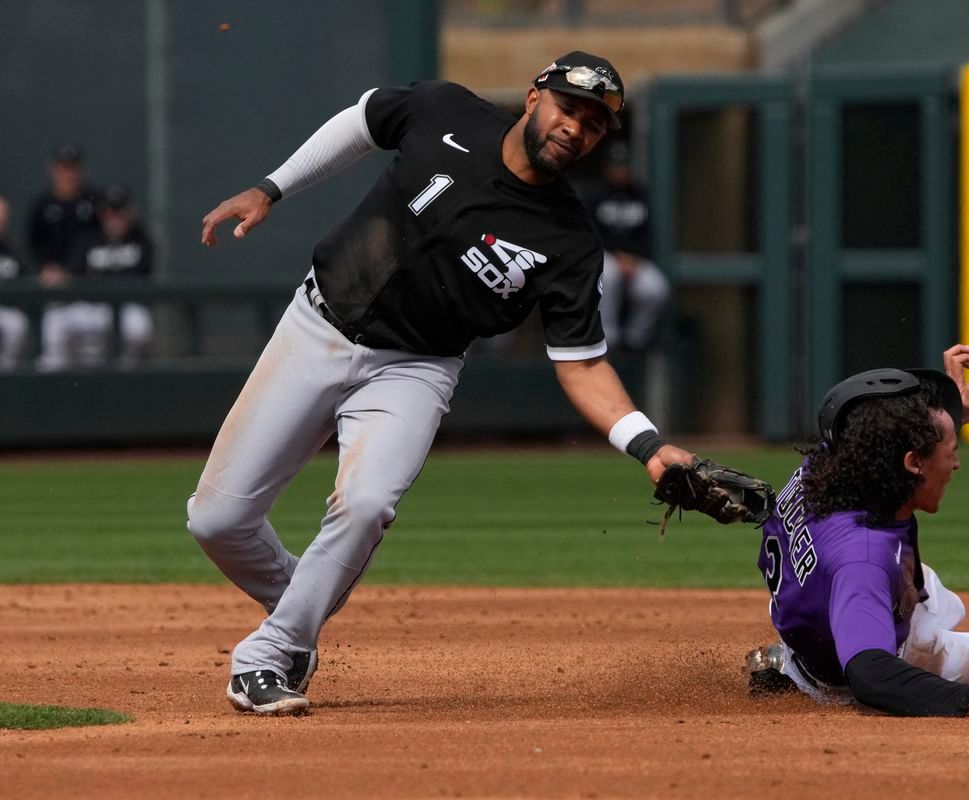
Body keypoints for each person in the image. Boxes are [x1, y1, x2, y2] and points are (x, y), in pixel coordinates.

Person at [190, 51, 693, 716]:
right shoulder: (447, 112)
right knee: (217, 521)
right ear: (534, 95)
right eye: (569, 108)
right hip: (317, 325)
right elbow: (362, 120)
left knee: (367, 504)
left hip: (416, 367)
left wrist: (649, 446)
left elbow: (583, 364)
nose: (578, 127)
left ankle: (271, 653)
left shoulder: (569, 241)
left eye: (595, 124)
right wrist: (271, 187)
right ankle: (300, 610)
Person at [746, 345, 969, 718]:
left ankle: (793, 658)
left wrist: (955, 412)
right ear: (913, 462)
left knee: (936, 591)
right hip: (845, 662)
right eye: (951, 450)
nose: (956, 463)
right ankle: (794, 675)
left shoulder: (837, 461)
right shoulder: (865, 557)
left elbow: (882, 421)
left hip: (811, 607)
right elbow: (871, 676)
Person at [38, 183, 155, 371]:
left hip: (127, 307)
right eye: (110, 210)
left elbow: (145, 277)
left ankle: (125, 383)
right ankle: (50, 384)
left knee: (139, 327)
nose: (115, 216)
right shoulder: (88, 239)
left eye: (120, 210)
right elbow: (73, 275)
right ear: (102, 212)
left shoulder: (141, 239)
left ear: (129, 212)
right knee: (55, 320)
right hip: (91, 306)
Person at [586, 141, 669, 352]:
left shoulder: (640, 195)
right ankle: (608, 338)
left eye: (624, 166)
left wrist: (635, 257)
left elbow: (648, 234)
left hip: (635, 260)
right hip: (606, 256)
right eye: (616, 166)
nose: (620, 171)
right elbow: (590, 233)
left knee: (655, 288)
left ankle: (634, 340)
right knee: (609, 274)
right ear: (607, 168)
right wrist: (617, 254)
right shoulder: (596, 195)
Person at [27, 143, 99, 288]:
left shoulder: (93, 201)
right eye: (64, 168)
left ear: (82, 170)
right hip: (53, 284)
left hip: (89, 282)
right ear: (53, 170)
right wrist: (44, 268)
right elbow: (32, 246)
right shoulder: (42, 205)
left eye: (73, 168)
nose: (68, 174)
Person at [0, 194, 31, 370]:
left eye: (2, 218)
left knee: (16, 324)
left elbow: (29, 279)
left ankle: (6, 379)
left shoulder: (14, 251)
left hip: (7, 310)